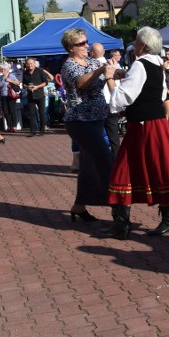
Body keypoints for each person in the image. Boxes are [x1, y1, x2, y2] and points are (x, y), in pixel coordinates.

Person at [106, 27, 169, 239]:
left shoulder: (140, 64)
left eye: (135, 41)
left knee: (125, 169)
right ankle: (166, 218)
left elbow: (123, 98)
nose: (133, 45)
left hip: (144, 125)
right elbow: (162, 93)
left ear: (142, 45)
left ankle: (123, 224)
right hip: (153, 122)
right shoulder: (156, 63)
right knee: (157, 168)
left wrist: (110, 79)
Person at [60, 28, 117, 222]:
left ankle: (78, 206)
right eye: (81, 43)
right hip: (80, 121)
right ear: (70, 48)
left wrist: (129, 71)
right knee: (105, 161)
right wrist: (102, 69)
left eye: (86, 42)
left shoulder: (92, 61)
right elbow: (82, 83)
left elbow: (111, 73)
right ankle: (119, 209)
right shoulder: (69, 66)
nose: (86, 46)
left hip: (96, 119)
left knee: (87, 165)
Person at [22, 58, 51, 137]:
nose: (30, 65)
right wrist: (27, 87)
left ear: (34, 63)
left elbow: (46, 82)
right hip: (30, 95)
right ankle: (33, 131)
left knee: (42, 113)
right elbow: (23, 84)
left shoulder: (40, 71)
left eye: (31, 63)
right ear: (26, 64)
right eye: (28, 64)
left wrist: (37, 87)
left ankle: (42, 130)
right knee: (31, 114)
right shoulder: (25, 72)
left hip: (40, 94)